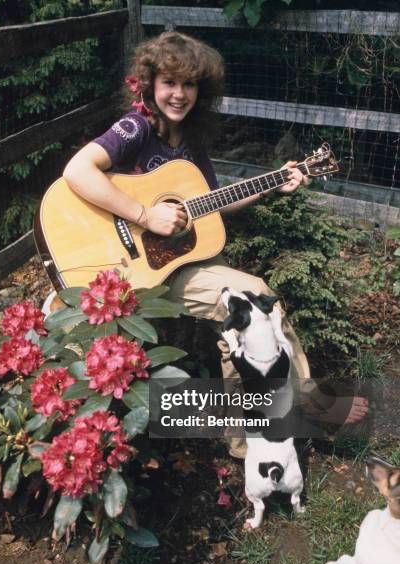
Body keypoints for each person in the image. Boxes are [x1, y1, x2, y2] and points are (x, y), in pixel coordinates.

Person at [61, 32, 368, 456]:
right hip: (127, 268)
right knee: (252, 297)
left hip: (176, 267)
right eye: (170, 82)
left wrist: (275, 180)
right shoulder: (135, 129)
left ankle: (248, 440)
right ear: (149, 84)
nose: (179, 94)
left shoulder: (190, 142)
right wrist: (145, 215)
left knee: (254, 298)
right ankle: (310, 401)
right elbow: (77, 171)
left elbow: (211, 203)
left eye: (189, 85)